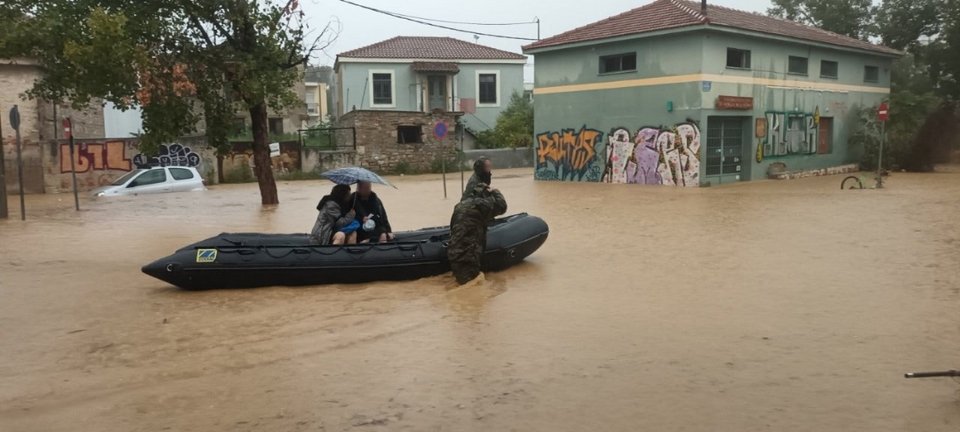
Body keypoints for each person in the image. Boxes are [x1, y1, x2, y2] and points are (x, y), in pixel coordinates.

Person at [448, 183, 507, 285]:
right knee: (471, 288)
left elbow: (452, 227)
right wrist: (495, 191)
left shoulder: (459, 206)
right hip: (468, 256)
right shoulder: (481, 204)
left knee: (461, 284)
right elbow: (502, 206)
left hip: (454, 253)